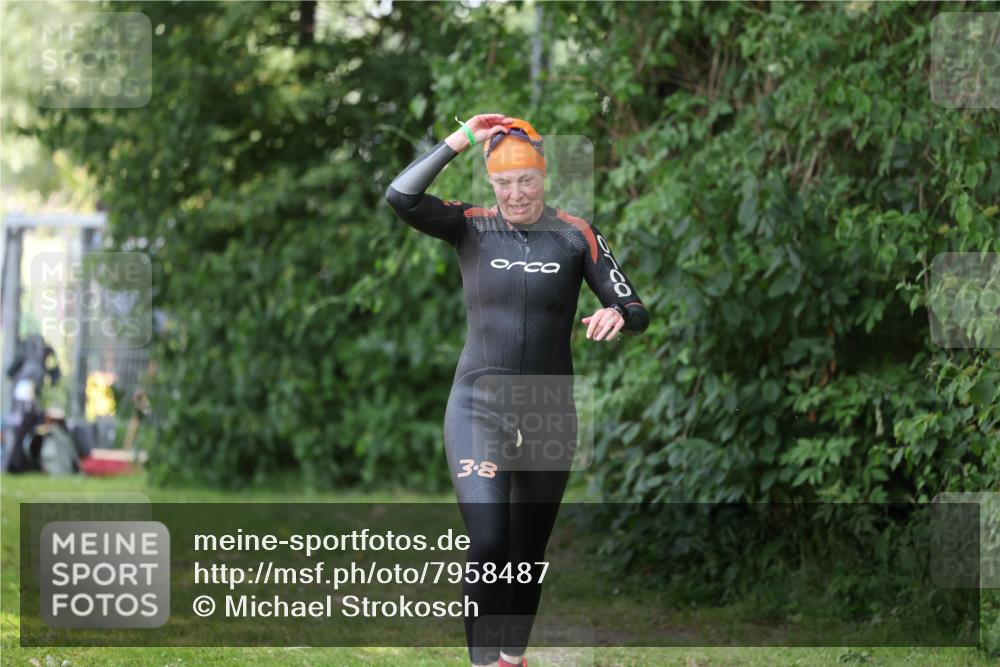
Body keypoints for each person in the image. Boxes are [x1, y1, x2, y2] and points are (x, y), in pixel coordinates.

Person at [385, 114, 649, 667]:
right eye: (503, 183)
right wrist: (462, 139)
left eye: (526, 180)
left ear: (543, 175)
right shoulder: (470, 225)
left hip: (549, 412)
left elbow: (633, 305)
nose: (516, 193)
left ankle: (511, 658)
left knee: (526, 554)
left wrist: (618, 314)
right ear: (491, 183)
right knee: (488, 542)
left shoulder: (576, 235)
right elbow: (401, 196)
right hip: (477, 406)